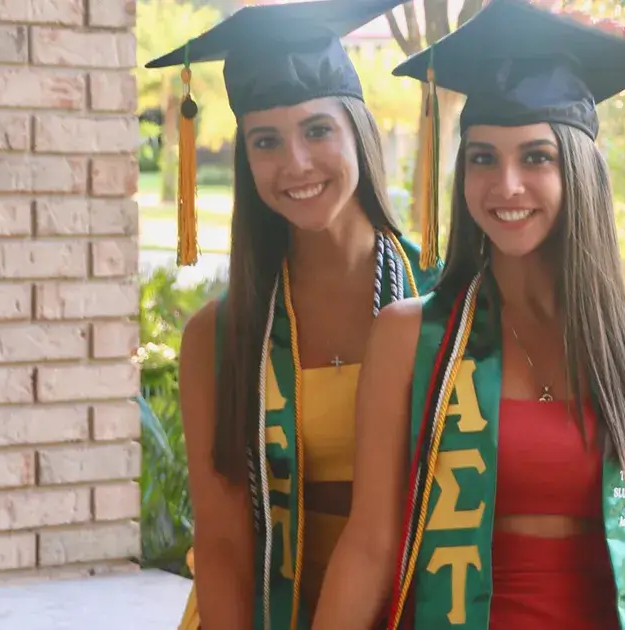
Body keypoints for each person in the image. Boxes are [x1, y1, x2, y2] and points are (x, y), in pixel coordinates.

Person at [313, 1, 625, 628]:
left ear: (579, 171)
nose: (505, 186)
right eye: (483, 158)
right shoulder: (414, 338)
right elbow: (370, 546)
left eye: (536, 157)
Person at [144, 0, 439, 628]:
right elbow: (223, 550)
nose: (296, 164)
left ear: (358, 130)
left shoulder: (450, 302)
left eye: (317, 130)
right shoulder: (221, 336)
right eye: (266, 141)